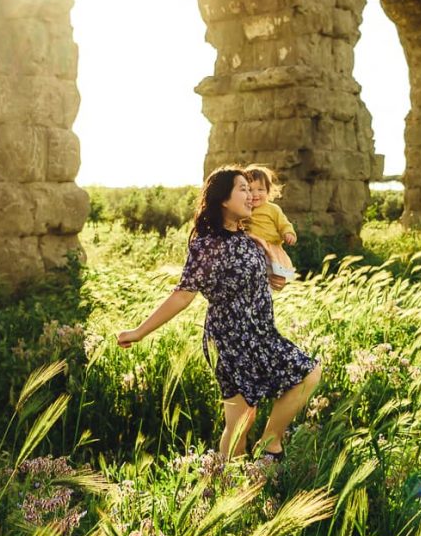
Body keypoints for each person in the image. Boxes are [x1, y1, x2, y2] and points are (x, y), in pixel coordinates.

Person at [117, 166, 321, 461]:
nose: (251, 196)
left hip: (262, 334)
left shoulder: (248, 238)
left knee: (309, 374)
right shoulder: (207, 244)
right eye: (243, 189)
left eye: (251, 191)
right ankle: (230, 486)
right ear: (223, 200)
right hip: (229, 339)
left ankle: (270, 444)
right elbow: (183, 294)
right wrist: (139, 332)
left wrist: (276, 278)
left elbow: (264, 280)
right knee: (240, 423)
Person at [244, 164, 297, 280]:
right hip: (252, 249)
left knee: (273, 280)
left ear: (268, 191)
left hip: (270, 249)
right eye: (250, 189)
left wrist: (288, 233)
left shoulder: (273, 209)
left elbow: (284, 224)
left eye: (260, 189)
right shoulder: (243, 209)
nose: (255, 194)